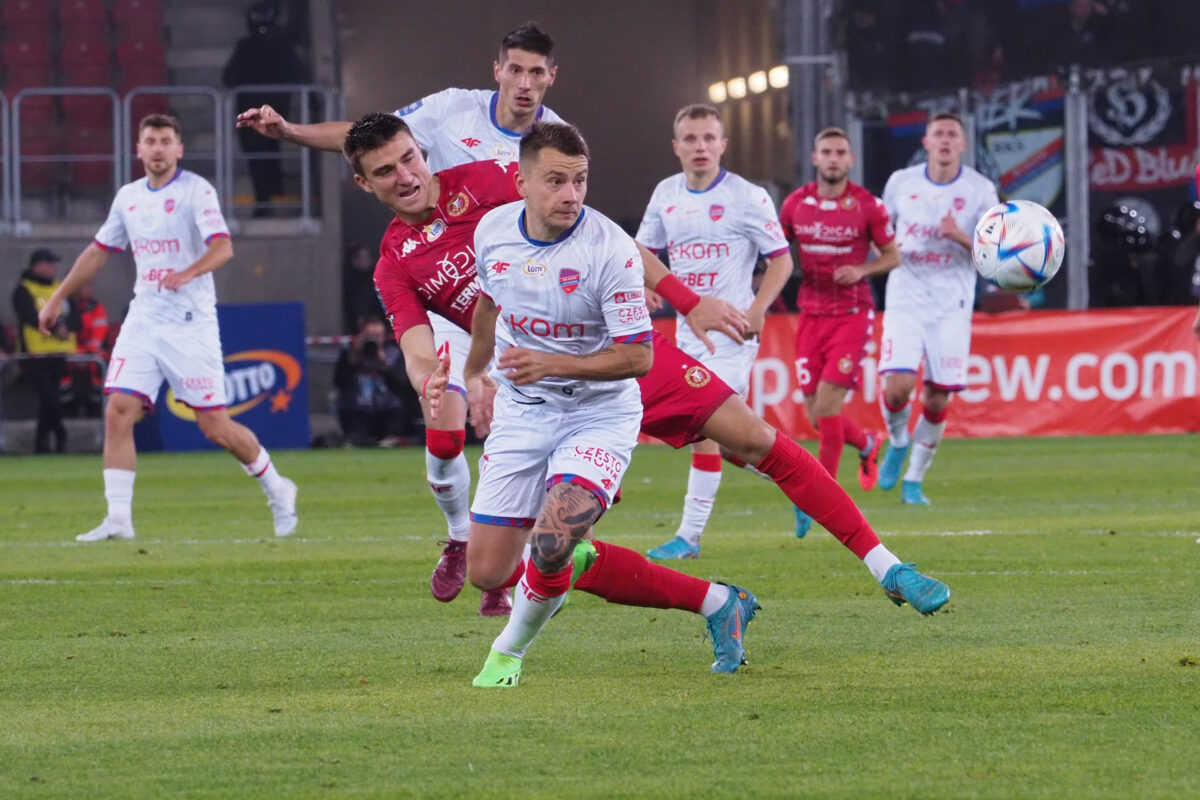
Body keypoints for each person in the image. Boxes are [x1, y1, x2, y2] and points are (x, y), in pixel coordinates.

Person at [343, 112, 948, 675]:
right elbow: (432, 338)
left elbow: (606, 237)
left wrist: (690, 303)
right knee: (493, 570)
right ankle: (711, 601)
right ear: (365, 184)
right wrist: (452, 379)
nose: (406, 176)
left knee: (753, 439)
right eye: (386, 171)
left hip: (617, 362)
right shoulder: (395, 263)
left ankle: (887, 565)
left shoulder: (492, 180)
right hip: (535, 393)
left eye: (410, 159)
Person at [235, 23, 566, 613]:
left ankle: (506, 560)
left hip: (521, 306)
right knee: (444, 431)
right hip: (446, 299)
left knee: (526, 441)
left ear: (551, 77)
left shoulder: (550, 143)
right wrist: (288, 132)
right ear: (497, 70)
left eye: (535, 72)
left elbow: (572, 220)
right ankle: (463, 539)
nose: (524, 82)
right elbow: (370, 138)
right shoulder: (449, 114)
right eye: (514, 69)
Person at [463, 121, 760, 687]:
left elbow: (639, 359)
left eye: (579, 181)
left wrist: (553, 363)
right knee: (488, 571)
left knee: (550, 543)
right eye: (555, 181)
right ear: (521, 182)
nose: (571, 194)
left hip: (596, 414)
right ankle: (718, 602)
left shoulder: (610, 250)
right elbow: (487, 304)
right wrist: (475, 372)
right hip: (523, 411)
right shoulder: (492, 231)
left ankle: (507, 655)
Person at [38, 113, 298, 541]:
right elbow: (99, 251)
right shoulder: (128, 197)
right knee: (118, 411)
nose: (157, 148)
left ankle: (277, 487)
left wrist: (188, 273)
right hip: (145, 318)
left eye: (165, 141)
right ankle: (119, 519)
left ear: (178, 149)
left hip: (189, 323)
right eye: (150, 141)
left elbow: (223, 248)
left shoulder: (197, 191)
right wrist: (57, 297)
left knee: (215, 426)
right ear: (138, 149)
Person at [634, 104, 793, 560]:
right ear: (676, 146)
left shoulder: (748, 196)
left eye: (708, 138)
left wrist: (759, 308)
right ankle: (799, 481)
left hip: (734, 334)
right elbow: (643, 250)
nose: (700, 146)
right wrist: (645, 286)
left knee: (705, 429)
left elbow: (781, 259)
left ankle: (689, 536)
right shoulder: (666, 193)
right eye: (691, 138)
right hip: (688, 335)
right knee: (729, 440)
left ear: (723, 144)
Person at [778, 127, 900, 537]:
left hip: (852, 313)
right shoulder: (795, 205)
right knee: (816, 417)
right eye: (826, 151)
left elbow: (893, 255)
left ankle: (818, 501)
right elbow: (776, 249)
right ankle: (866, 444)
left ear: (850, 160)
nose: (833, 158)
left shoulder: (868, 205)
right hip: (810, 315)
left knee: (828, 409)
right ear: (815, 158)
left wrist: (863, 269)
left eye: (840, 152)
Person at [877, 112, 999, 505]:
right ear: (926, 142)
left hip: (952, 303)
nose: (945, 141)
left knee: (936, 399)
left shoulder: (981, 190)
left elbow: (995, 257)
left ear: (963, 144)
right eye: (938, 134)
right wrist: (888, 249)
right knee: (897, 387)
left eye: (952, 135)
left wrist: (960, 236)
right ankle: (897, 440)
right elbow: (878, 235)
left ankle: (914, 480)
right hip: (906, 297)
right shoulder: (901, 182)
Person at [221, 0, 311, 216]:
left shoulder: (276, 46)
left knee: (261, 153)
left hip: (264, 112)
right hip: (260, 112)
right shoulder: (253, 46)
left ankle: (267, 197)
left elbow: (299, 75)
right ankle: (267, 196)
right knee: (262, 152)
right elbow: (229, 77)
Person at [12, 249, 76, 453]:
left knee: (50, 400)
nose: (52, 267)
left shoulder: (60, 288)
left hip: (59, 354)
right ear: (37, 265)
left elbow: (76, 316)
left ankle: (42, 443)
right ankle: (60, 434)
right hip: (35, 354)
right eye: (49, 263)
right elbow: (29, 315)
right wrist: (56, 328)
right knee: (50, 399)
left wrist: (68, 327)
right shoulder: (24, 289)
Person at [333, 315, 413, 446]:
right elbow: (339, 383)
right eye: (370, 336)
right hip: (358, 410)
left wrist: (384, 365)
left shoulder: (393, 354)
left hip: (389, 410)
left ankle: (390, 438)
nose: (375, 340)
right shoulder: (349, 354)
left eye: (378, 336)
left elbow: (403, 387)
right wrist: (353, 358)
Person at [63, 280, 111, 417]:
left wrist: (88, 353)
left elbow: (99, 332)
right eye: (86, 285)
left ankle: (95, 405)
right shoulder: (64, 306)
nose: (90, 289)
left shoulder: (95, 307)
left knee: (100, 364)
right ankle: (67, 407)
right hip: (70, 351)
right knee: (61, 367)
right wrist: (77, 353)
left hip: (92, 351)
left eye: (91, 285)